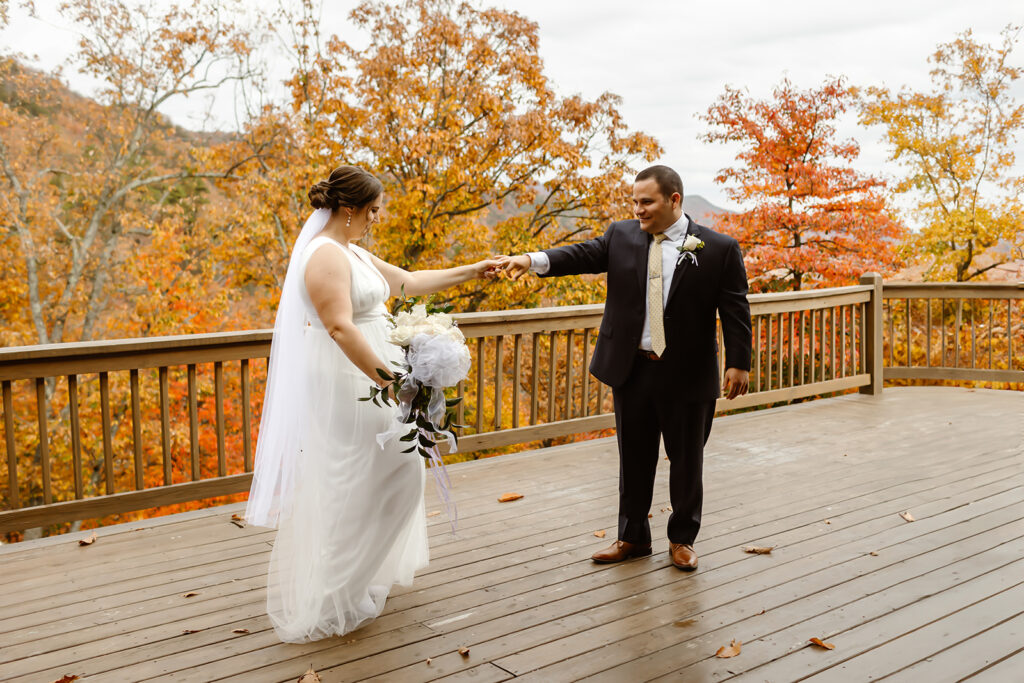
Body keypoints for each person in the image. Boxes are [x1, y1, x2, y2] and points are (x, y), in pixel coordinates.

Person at [245, 165, 502, 642]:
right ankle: (331, 590)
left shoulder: (352, 252)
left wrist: (474, 269)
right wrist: (393, 384)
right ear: (349, 210)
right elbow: (340, 327)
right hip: (351, 379)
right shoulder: (324, 257)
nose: (376, 219)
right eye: (373, 210)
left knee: (390, 473)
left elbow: (406, 282)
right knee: (374, 474)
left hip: (377, 374)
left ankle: (352, 576)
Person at [503, 165, 751, 571]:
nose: (638, 209)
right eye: (634, 201)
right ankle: (632, 537)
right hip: (632, 370)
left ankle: (682, 540)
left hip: (688, 374)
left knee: (687, 460)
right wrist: (532, 260)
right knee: (633, 458)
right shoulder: (620, 235)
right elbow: (580, 255)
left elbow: (736, 308)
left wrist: (739, 362)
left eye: (647, 201)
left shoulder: (719, 248)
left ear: (674, 200)